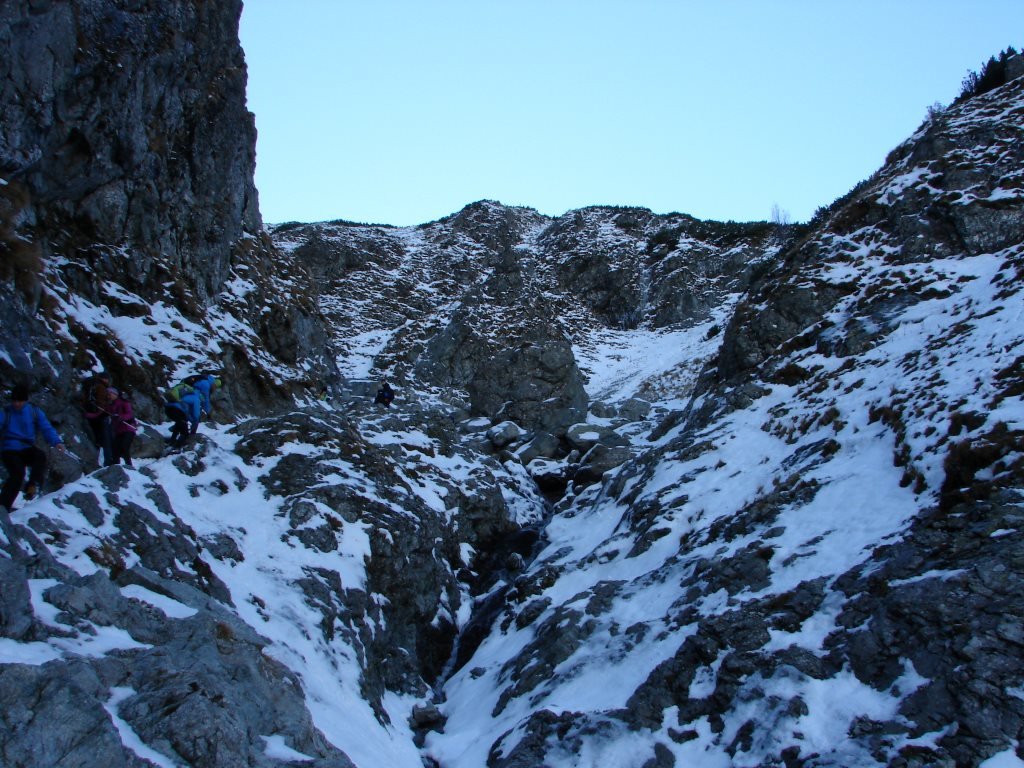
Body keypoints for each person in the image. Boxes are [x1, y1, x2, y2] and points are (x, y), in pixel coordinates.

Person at [1, 384, 65, 512]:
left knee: (40, 456)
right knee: (17, 474)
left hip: (26, 447)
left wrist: (56, 442)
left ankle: (32, 485)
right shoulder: (5, 412)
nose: (17, 404)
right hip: (9, 448)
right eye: (14, 401)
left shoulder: (34, 411)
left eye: (20, 401)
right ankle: (3, 506)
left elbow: (46, 428)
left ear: (25, 400)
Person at [82, 372, 115, 466]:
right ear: (104, 379)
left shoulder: (90, 384)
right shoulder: (101, 387)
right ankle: (108, 462)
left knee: (95, 439)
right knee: (106, 440)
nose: (108, 381)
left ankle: (94, 461)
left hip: (88, 414)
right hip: (100, 416)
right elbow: (101, 403)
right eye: (107, 379)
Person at [164, 383, 201, 448]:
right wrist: (194, 422)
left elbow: (186, 410)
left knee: (179, 425)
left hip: (168, 409)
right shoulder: (196, 398)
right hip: (177, 411)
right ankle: (176, 448)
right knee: (185, 432)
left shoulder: (185, 395)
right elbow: (196, 415)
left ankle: (171, 442)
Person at [109, 388, 137, 467]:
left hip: (128, 429)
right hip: (118, 430)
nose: (109, 395)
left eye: (110, 394)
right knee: (115, 449)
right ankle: (115, 467)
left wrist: (120, 417)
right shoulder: (110, 405)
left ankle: (129, 466)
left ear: (115, 394)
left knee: (124, 447)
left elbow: (129, 414)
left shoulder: (124, 403)